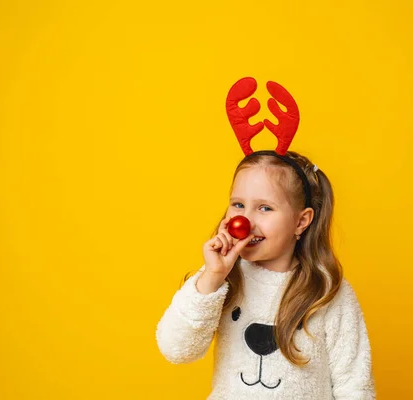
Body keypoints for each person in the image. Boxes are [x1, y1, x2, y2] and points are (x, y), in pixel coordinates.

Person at [156, 78, 375, 399]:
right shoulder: (220, 281)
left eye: (265, 208)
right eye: (238, 205)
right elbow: (177, 350)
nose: (246, 220)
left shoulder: (328, 290)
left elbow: (356, 384)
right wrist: (212, 278)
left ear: (301, 221)